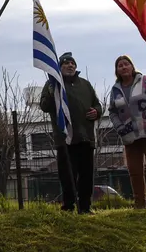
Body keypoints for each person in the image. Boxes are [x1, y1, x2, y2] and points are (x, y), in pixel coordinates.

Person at [39, 52, 101, 214]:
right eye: (66, 63)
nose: (70, 66)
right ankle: (68, 206)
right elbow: (45, 106)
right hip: (65, 138)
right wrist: (52, 92)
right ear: (59, 67)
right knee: (67, 175)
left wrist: (97, 111)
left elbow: (97, 105)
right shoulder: (52, 84)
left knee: (86, 175)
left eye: (72, 63)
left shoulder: (85, 85)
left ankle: (85, 206)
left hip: (86, 137)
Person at [108, 55, 146, 208]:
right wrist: (119, 127)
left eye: (126, 64)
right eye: (120, 65)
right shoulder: (116, 90)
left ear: (132, 66)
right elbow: (112, 112)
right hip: (129, 136)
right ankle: (140, 203)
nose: (123, 67)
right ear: (117, 71)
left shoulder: (145, 82)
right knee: (134, 170)